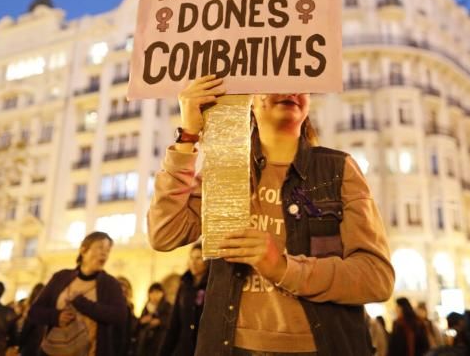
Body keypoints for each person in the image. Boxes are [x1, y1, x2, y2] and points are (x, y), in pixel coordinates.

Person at [148, 76, 395, 356]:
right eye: (273, 80)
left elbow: (376, 278)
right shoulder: (225, 170)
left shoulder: (338, 169)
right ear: (251, 101)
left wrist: (281, 267)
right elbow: (164, 233)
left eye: (300, 82)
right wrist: (188, 135)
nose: (289, 89)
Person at [26, 231, 129, 356]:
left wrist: (82, 304)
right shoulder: (61, 277)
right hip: (52, 351)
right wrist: (56, 317)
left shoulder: (110, 284)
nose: (104, 253)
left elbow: (120, 315)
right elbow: (34, 311)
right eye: (100, 247)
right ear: (83, 250)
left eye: (108, 250)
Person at [159, 243, 208, 356]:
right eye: (191, 258)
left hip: (202, 348)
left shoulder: (212, 286)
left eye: (198, 258)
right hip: (183, 349)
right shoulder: (185, 285)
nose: (194, 262)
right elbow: (174, 323)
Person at [136, 282, 172, 356]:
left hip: (159, 340)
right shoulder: (146, 307)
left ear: (162, 294)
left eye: (157, 292)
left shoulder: (167, 306)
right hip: (145, 342)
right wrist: (142, 321)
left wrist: (160, 321)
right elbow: (139, 324)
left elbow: (171, 320)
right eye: (152, 292)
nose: (155, 295)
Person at [18, 281, 47, 356]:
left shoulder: (32, 311)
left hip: (30, 348)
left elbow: (25, 330)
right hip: (42, 348)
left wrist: (19, 347)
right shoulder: (48, 311)